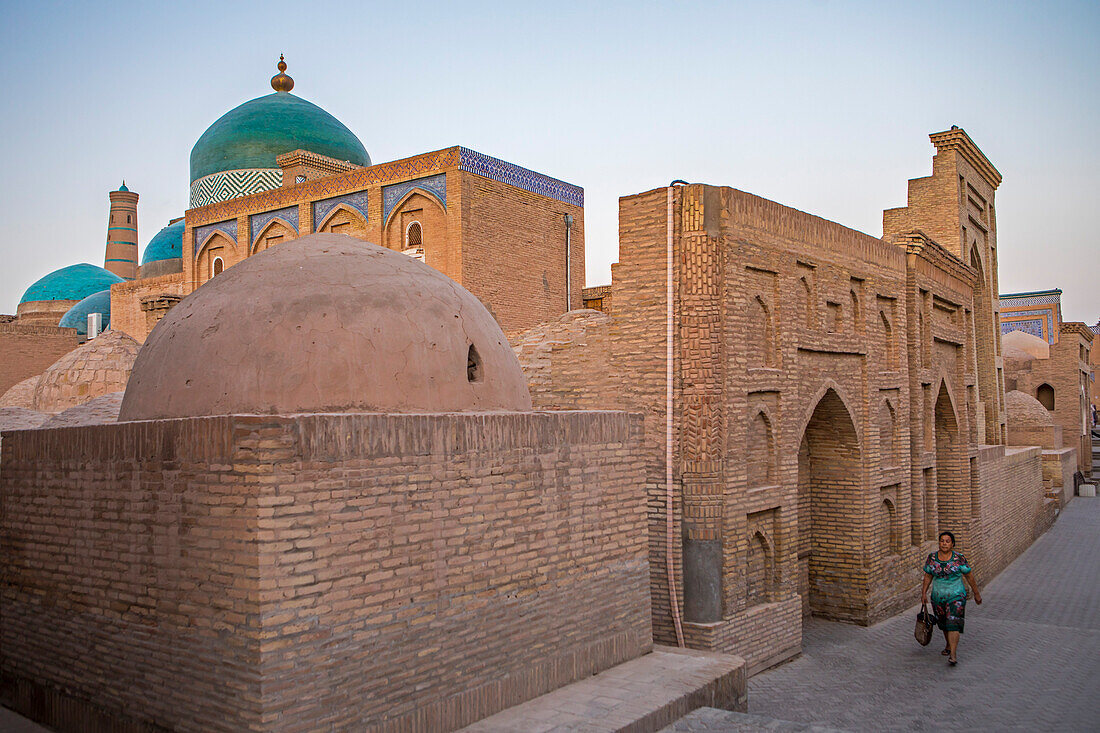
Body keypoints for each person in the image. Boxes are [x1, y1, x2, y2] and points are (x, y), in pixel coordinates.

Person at [921, 531, 982, 665]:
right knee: (943, 622)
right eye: (942, 541)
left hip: (956, 596)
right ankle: (948, 644)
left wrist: (976, 593)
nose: (944, 543)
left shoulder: (959, 558)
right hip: (938, 596)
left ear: (952, 544)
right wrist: (923, 593)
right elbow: (928, 575)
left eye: (947, 541)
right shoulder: (932, 558)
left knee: (953, 623)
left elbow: (969, 575)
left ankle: (953, 654)